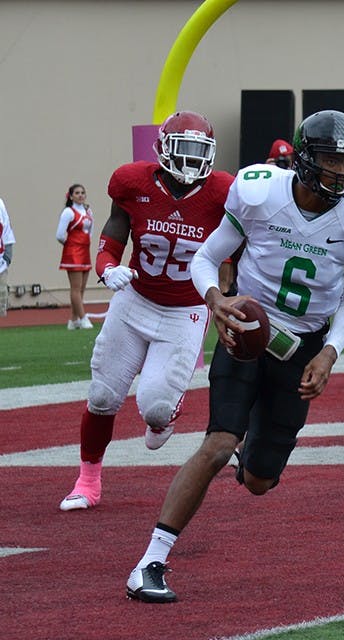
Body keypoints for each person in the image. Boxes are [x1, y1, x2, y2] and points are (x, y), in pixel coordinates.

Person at [125, 109, 344, 603]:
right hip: (245, 331)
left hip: (303, 347)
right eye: (332, 161)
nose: (342, 173)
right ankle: (150, 563)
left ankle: (250, 458)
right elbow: (205, 258)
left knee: (261, 482)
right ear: (306, 158)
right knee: (217, 443)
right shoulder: (259, 191)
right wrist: (215, 300)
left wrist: (331, 353)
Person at [58, 111, 234, 512]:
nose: (191, 159)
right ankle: (88, 482)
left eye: (199, 150)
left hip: (185, 310)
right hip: (134, 300)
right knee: (102, 395)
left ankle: (164, 414)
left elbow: (239, 251)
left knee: (154, 406)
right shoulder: (133, 183)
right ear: (162, 149)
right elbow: (109, 242)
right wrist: (107, 269)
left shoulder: (222, 192)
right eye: (183, 149)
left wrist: (228, 294)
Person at [56, 184, 94, 329]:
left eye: (82, 192)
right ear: (71, 196)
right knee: (76, 288)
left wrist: (84, 243)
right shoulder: (68, 212)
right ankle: (83, 318)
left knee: (82, 288)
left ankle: (73, 319)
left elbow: (91, 231)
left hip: (85, 251)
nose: (80, 195)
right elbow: (59, 235)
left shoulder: (88, 211)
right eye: (77, 193)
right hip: (73, 252)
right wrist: (71, 245)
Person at [0, 196, 14, 317]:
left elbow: (6, 229)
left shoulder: (0, 204)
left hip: (0, 262)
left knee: (1, 294)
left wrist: (7, 256)